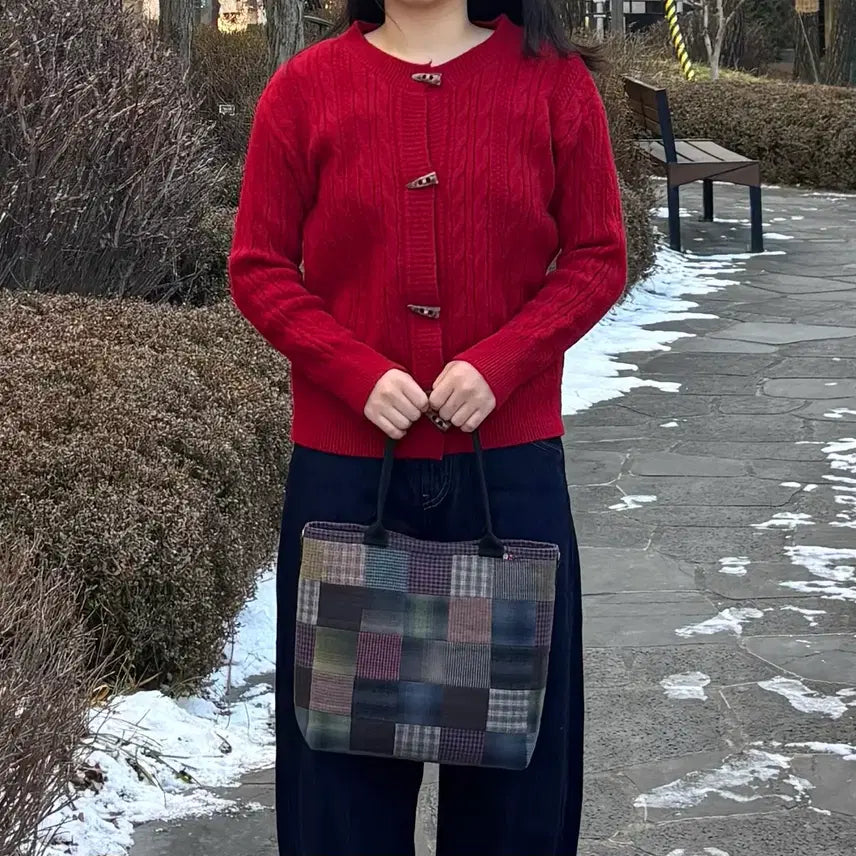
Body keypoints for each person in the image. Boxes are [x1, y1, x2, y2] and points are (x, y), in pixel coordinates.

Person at [228, 0, 626, 852]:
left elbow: (598, 257)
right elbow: (258, 266)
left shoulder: (553, 85)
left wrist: (502, 363)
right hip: (346, 480)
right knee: (338, 788)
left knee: (515, 786)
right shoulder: (304, 88)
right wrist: (354, 371)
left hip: (507, 477)